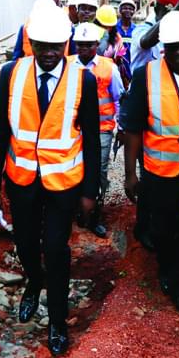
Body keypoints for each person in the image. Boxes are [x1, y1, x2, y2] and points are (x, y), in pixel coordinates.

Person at [0, 6, 100, 357]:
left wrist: (90, 192)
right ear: (30, 42)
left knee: (56, 249)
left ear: (66, 43)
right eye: (41, 46)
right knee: (26, 243)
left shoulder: (84, 80)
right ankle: (34, 281)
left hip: (64, 183)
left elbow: (91, 139)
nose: (48, 54)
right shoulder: (11, 74)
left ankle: (57, 321)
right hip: (21, 180)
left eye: (55, 46)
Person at [123, 11, 179, 317]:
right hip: (160, 172)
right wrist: (130, 174)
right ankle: (164, 266)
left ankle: (178, 285)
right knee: (161, 230)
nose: (176, 54)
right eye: (170, 48)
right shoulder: (145, 75)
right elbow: (133, 128)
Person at [72, 22, 124, 238]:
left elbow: (119, 99)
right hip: (73, 131)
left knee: (98, 171)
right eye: (80, 45)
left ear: (96, 45)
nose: (84, 49)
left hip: (102, 129)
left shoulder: (108, 67)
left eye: (88, 45)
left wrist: (120, 126)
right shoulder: (67, 66)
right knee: (74, 169)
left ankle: (95, 215)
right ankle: (75, 210)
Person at [129, 0, 179, 72]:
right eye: (170, 14)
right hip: (144, 84)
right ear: (156, 10)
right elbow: (146, 41)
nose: (173, 20)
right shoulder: (141, 30)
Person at [13, 0, 77, 60]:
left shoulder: (67, 29)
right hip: (30, 67)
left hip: (61, 67)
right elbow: (17, 55)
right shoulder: (25, 28)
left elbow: (74, 55)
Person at [116, 0, 137, 65]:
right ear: (120, 10)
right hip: (117, 63)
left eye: (130, 9)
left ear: (133, 11)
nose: (128, 10)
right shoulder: (114, 28)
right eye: (125, 8)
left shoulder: (136, 30)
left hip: (132, 63)